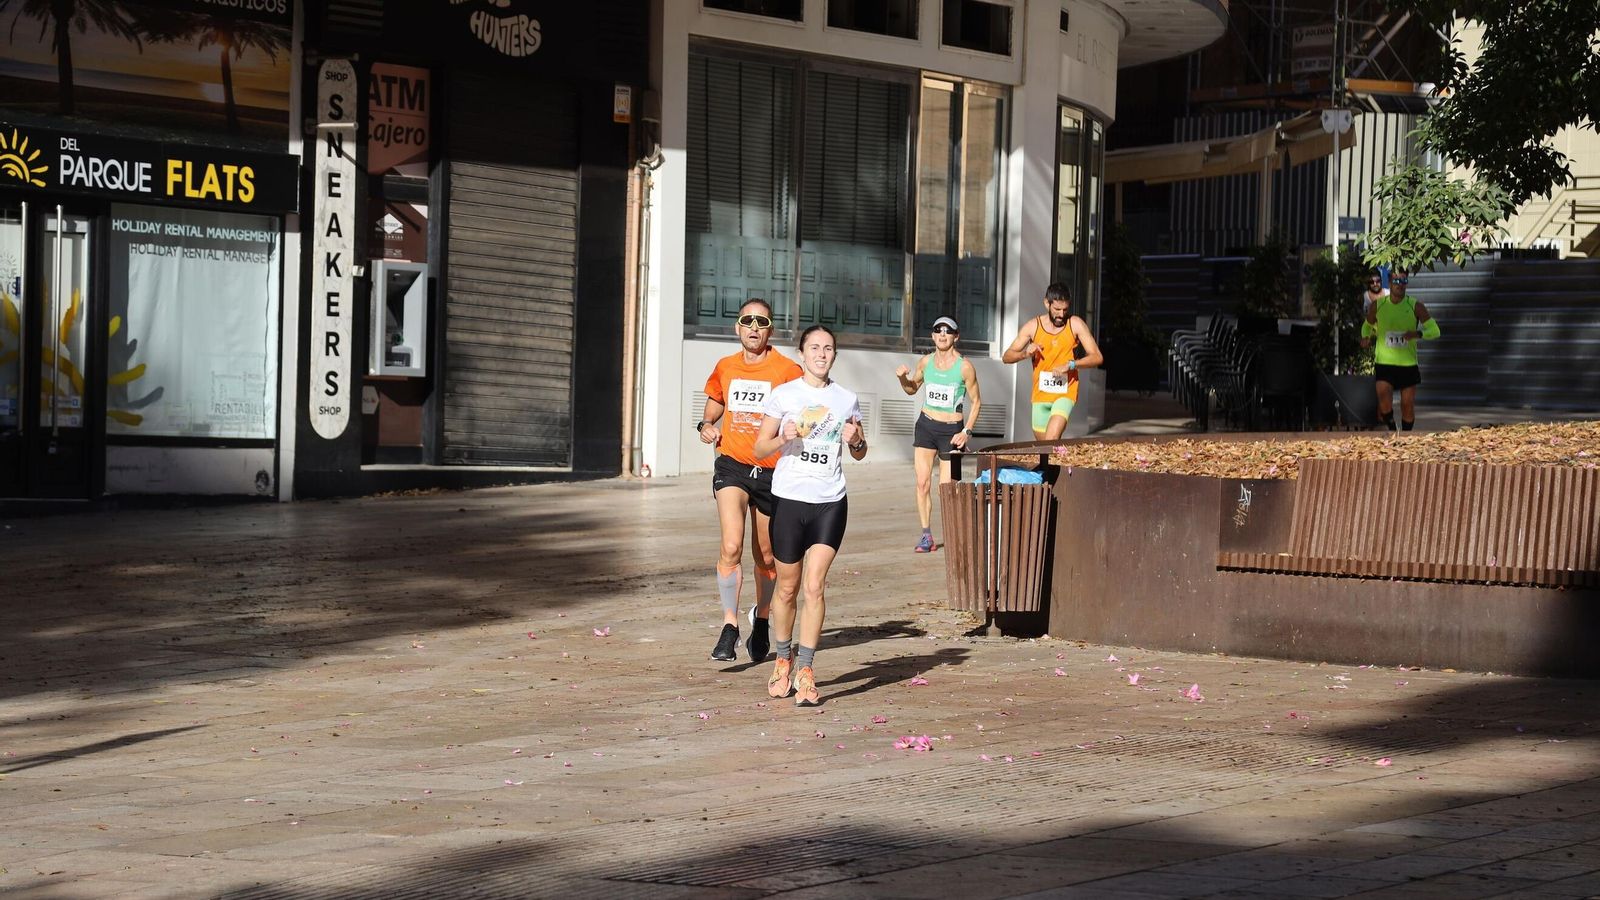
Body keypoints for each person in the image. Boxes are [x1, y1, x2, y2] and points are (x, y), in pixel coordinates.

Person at [751, 324, 866, 706]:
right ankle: (782, 659)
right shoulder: (784, 395)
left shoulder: (846, 399)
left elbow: (860, 449)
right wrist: (783, 437)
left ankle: (806, 668)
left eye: (828, 348)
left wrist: (857, 441)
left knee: (815, 586)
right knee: (787, 587)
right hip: (789, 500)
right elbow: (759, 446)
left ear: (834, 355)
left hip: (830, 500)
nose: (821, 353)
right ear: (802, 354)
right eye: (814, 347)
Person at [697, 299, 803, 662]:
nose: (754, 327)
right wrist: (706, 425)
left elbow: (803, 412)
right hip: (733, 466)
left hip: (774, 472)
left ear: (770, 329)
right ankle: (729, 625)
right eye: (747, 320)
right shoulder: (725, 367)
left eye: (761, 321)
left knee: (767, 556)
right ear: (737, 328)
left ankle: (760, 619)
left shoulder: (787, 369)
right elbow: (713, 407)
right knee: (730, 545)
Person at [894, 315, 981, 553]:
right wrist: (903, 378)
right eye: (938, 330)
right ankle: (926, 536)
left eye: (948, 331)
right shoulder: (925, 363)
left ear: (956, 336)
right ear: (933, 336)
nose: (943, 335)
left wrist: (966, 431)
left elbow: (976, 402)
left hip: (951, 432)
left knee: (946, 489)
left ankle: (954, 534)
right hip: (926, 426)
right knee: (922, 483)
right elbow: (912, 389)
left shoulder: (964, 367)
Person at [1001, 282, 1104, 440]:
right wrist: (1025, 354)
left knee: (1051, 440)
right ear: (1046, 303)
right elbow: (1006, 357)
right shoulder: (1033, 326)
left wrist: (1071, 364)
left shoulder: (1075, 324)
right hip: (1040, 394)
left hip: (1065, 392)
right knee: (1045, 451)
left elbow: (1097, 357)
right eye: (1057, 309)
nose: (1061, 315)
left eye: (1065, 310)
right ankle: (1060, 464)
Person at [1360, 268, 1439, 431]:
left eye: (1403, 281)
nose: (1400, 285)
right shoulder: (1378, 305)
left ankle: (1406, 436)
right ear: (1389, 283)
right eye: (1396, 281)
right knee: (1384, 404)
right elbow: (1366, 326)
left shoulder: (1415, 306)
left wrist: (1417, 333)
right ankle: (1392, 428)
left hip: (1407, 364)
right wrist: (1365, 337)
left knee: (1407, 405)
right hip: (1384, 362)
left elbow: (1435, 331)